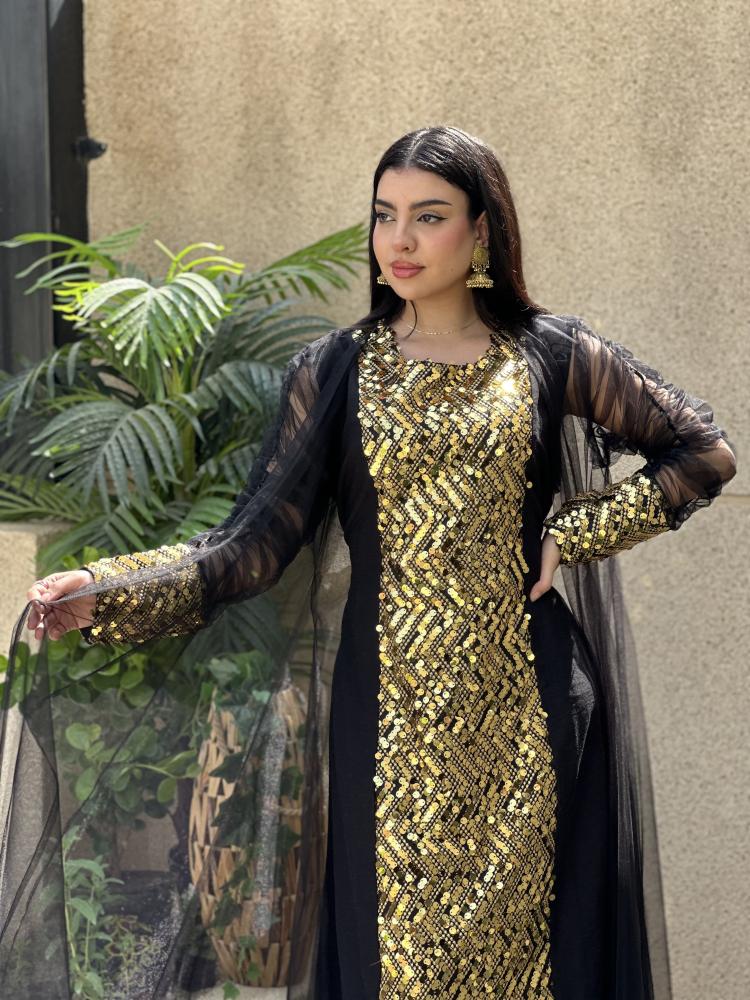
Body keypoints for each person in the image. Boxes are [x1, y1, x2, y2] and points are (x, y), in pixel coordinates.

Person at [2, 125, 737, 1000]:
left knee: (539, 964)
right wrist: (111, 588)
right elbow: (251, 545)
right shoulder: (336, 370)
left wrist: (572, 536)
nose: (400, 239)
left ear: (482, 230)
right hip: (386, 723)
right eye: (385, 215)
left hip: (531, 715)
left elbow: (703, 451)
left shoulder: (550, 354)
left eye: (430, 216)